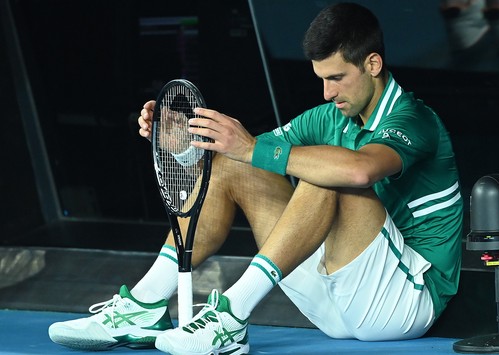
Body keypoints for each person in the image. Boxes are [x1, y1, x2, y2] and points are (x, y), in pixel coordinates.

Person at [48, 3, 463, 354]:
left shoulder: (414, 118)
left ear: (372, 63)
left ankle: (231, 315)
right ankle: (144, 305)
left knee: (327, 172)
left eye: (336, 78)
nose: (326, 94)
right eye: (320, 79)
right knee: (237, 165)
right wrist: (182, 146)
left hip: (404, 302)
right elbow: (247, 159)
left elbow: (360, 170)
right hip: (333, 303)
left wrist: (249, 147)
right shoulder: (329, 116)